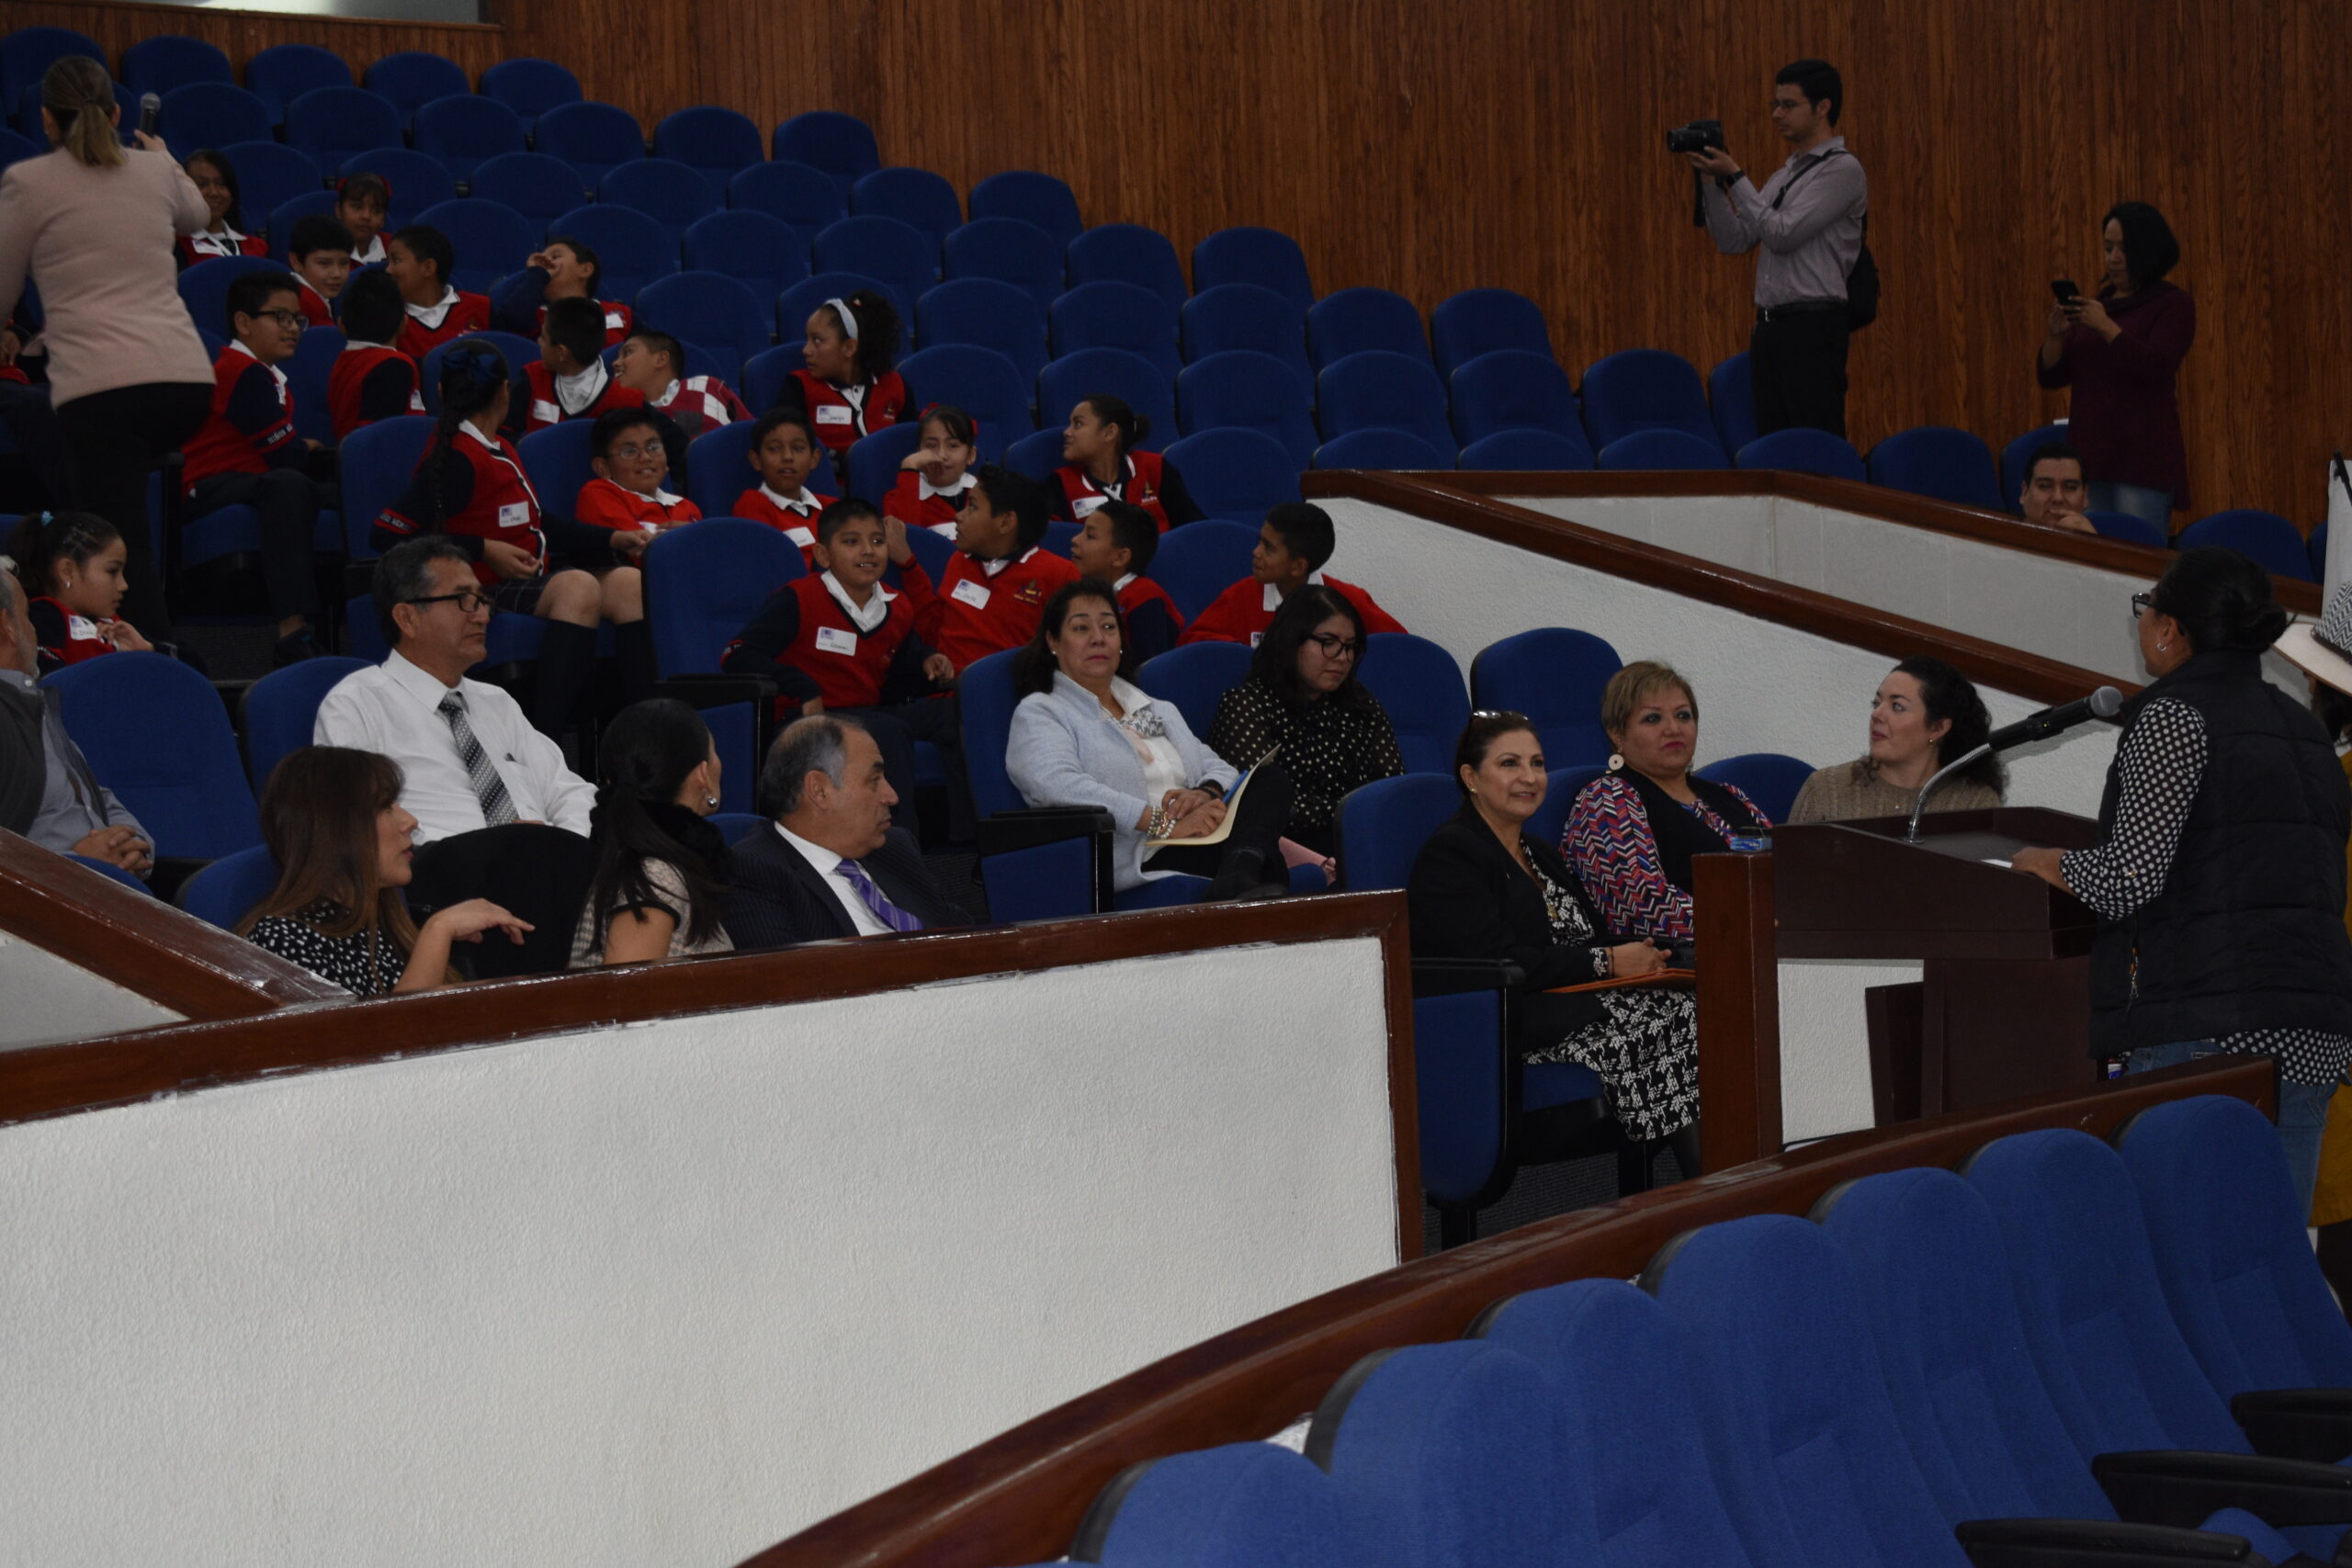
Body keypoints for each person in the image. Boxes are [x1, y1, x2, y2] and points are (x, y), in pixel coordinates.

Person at [2011, 548, 2352, 1210]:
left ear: (2170, 629)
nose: (2142, 623)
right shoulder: (2306, 734)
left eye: (2146, 608)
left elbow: (2128, 877)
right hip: (2313, 1031)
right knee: (2267, 1253)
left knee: (2188, 1252)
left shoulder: (2173, 717)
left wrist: (2047, 863)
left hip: (2208, 1029)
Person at [1408, 711, 1700, 1172]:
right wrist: (1606, 962)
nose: (1529, 777)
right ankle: (1712, 1187)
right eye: (1509, 764)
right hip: (1513, 1022)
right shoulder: (1453, 854)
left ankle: (1723, 1182)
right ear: (1471, 777)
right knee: (1681, 1019)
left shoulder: (1539, 852)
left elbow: (1589, 937)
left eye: (1538, 763)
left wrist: (1650, 954)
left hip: (1579, 1002)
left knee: (1704, 1003)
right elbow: (1498, 963)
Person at [0, 56, 217, 641]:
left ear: (47, 120)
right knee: (94, 508)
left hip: (103, 389)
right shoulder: (153, 169)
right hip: (184, 384)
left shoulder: (30, 182)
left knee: (118, 543)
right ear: (117, 114)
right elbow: (198, 214)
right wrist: (163, 157)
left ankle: (153, 659)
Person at [369, 342, 655, 738]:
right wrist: (483, 548)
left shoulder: (500, 445)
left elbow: (539, 521)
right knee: (578, 588)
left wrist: (613, 537)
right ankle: (545, 741)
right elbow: (387, 534)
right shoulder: (458, 459)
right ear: (505, 391)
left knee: (629, 585)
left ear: (440, 392)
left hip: (525, 579)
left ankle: (645, 735)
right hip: (479, 588)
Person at [1008, 578, 1294, 900]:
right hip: (1139, 852)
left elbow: (1218, 767)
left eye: (1108, 627)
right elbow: (1057, 786)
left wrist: (1204, 793)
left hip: (1200, 835)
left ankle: (1240, 871)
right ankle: (1243, 870)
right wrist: (1161, 823)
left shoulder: (1156, 708)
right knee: (1269, 863)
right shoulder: (1042, 711)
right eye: (1081, 628)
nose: (1098, 638)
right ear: (1053, 641)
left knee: (1270, 780)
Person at [315, 536, 595, 841]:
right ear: (407, 618)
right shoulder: (355, 704)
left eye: (481, 599)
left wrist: (561, 845)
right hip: (438, 865)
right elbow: (359, 823)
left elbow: (571, 792)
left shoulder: (496, 701)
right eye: (464, 600)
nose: (483, 616)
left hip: (543, 858)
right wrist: (484, 852)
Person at [721, 498, 953, 831]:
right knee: (886, 731)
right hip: (809, 720)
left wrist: (928, 660)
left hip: (869, 711)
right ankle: (899, 850)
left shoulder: (897, 605)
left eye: (877, 541)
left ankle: (967, 834)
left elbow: (902, 661)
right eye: (851, 541)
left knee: (961, 710)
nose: (868, 550)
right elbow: (736, 654)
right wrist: (802, 686)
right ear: (823, 555)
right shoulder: (799, 597)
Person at [239, 745, 529, 994]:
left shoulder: (381, 924)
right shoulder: (280, 941)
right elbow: (383, 1036)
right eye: (386, 807)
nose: (410, 821)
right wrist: (438, 932)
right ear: (336, 831)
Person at [1684, 58, 1868, 439]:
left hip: (1813, 326)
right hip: (1771, 328)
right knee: (1775, 441)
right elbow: (1734, 240)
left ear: (1823, 107)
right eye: (1775, 105)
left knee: (1812, 440)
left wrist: (1735, 175)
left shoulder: (1842, 170)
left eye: (1788, 105)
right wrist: (1711, 183)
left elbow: (1783, 234)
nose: (1777, 115)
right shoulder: (1784, 176)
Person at [179, 267, 328, 664]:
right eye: (280, 317)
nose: (293, 328)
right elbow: (286, 456)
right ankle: (292, 631)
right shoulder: (241, 372)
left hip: (248, 482)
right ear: (243, 323)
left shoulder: (264, 374)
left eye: (297, 319)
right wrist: (301, 447)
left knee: (335, 491)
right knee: (290, 484)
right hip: (207, 486)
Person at [1565, 660, 1770, 942]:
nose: (1673, 729)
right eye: (1653, 719)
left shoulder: (1730, 795)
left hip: (1770, 944)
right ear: (1617, 733)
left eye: (1683, 716)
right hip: (1687, 959)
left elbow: (1785, 869)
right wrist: (1752, 928)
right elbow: (1644, 905)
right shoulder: (1606, 799)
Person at [722, 714, 969, 948]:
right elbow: (787, 974)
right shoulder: (752, 871)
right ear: (819, 790)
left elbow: (965, 937)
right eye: (874, 780)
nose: (892, 796)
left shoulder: (895, 847)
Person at [1206, 584, 1403, 857]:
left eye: (1350, 646)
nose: (1343, 657)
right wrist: (1354, 813)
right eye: (1328, 643)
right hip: (1285, 847)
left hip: (1364, 835)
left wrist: (1366, 816)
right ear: (1291, 641)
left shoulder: (1360, 704)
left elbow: (1391, 785)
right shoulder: (1247, 704)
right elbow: (1269, 804)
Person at [2037, 202, 2195, 534]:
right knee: (2090, 550)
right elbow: (2053, 376)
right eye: (2108, 248)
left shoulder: (2173, 305)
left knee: (2137, 551)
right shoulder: (2100, 304)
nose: (2113, 258)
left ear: (2148, 250)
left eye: (2124, 248)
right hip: (2091, 456)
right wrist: (2055, 336)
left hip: (2143, 462)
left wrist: (2106, 326)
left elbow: (2155, 366)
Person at [0, 568, 153, 874]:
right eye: (27, 617)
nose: (35, 631)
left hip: (104, 887)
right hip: (47, 896)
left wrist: (133, 845)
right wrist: (73, 865)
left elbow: (94, 797)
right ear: (8, 627)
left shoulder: (33, 702)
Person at [571, 699, 735, 966]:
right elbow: (628, 990)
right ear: (703, 774)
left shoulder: (648, 863)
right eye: (714, 752)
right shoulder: (655, 876)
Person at [1786, 656, 2005, 823]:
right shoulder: (1826, 789)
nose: (1877, 714)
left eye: (1897, 707)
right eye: (1876, 703)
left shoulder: (1975, 804)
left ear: (1937, 728)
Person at [912, 464, 1080, 682]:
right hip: (947, 690)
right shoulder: (958, 561)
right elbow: (934, 632)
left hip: (1014, 692)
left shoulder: (1059, 573)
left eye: (972, 507)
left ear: (1005, 522)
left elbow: (1069, 652)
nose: (958, 516)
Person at [1180, 502, 1406, 648]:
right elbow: (1193, 642)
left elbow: (1398, 647)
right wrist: (1242, 653)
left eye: (1268, 548)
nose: (1256, 552)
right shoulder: (1241, 596)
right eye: (1259, 541)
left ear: (1298, 567)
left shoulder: (1349, 600)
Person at [7, 510, 152, 671]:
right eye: (112, 571)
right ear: (67, 571)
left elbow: (171, 664)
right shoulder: (42, 618)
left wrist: (148, 650)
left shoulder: (115, 625)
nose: (124, 585)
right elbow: (45, 680)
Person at [775, 289, 907, 465]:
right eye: (807, 339)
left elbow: (910, 442)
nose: (806, 350)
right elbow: (789, 444)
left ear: (849, 347)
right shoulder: (798, 386)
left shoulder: (895, 384)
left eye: (817, 340)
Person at [1049, 394, 1202, 530]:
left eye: (1078, 424)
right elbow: (1056, 538)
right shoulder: (1060, 482)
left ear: (1110, 432)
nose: (1066, 432)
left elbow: (1193, 529)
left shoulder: (1155, 467)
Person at [508, 295, 644, 438]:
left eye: (543, 337)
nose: (539, 341)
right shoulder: (531, 378)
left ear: (561, 352)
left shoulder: (628, 402)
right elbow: (504, 430)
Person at [1069, 499, 1184, 662]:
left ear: (1120, 557)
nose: (1075, 539)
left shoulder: (1145, 598)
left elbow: (1147, 667)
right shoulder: (1083, 593)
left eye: (1090, 536)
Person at [573, 406, 700, 532]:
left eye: (653, 448)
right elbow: (637, 542)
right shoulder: (599, 495)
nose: (645, 457)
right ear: (603, 468)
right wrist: (688, 536)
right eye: (630, 451)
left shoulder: (687, 507)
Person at [328, 269, 422, 439]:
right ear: (404, 323)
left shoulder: (343, 361)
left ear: (341, 325)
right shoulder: (395, 367)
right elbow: (378, 438)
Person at [612, 327, 750, 441]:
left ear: (661, 359)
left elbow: (751, 432)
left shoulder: (706, 386)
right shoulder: (621, 415)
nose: (615, 363)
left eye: (627, 352)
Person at [489, 236, 633, 344]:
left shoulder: (618, 312)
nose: (546, 262)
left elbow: (645, 347)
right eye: (542, 260)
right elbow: (513, 318)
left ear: (585, 269)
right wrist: (537, 274)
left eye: (555, 256)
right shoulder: (538, 315)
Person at [731, 407, 827, 559]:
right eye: (774, 449)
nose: (787, 457)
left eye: (798, 448)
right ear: (756, 460)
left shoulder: (831, 507)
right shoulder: (752, 506)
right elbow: (769, 563)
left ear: (814, 459)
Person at [386, 224, 492, 359]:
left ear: (428, 267)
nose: (388, 270)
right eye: (388, 262)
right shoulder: (388, 316)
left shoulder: (482, 307)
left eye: (396, 260)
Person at [884, 403, 978, 535]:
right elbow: (905, 539)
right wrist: (909, 467)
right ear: (918, 453)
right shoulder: (897, 498)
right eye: (931, 445)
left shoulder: (986, 493)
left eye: (953, 446)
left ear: (971, 455)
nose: (941, 455)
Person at [174, 148, 268, 267]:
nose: (214, 192)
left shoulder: (258, 246)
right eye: (202, 184)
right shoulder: (176, 244)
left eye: (221, 184)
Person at [286, 214, 354, 328]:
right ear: (296, 262)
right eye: (324, 263)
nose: (337, 274)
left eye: (344, 263)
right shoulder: (299, 306)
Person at [2018, 441, 2095, 535]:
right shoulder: (2002, 539)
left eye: (2070, 487)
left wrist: (2090, 541)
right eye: (2045, 486)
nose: (2058, 498)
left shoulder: (2096, 540)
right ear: (2025, 492)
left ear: (2085, 495)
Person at [334, 173, 390, 267]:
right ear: (339, 210)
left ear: (383, 219)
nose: (366, 216)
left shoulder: (395, 248)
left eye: (377, 211)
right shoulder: (324, 250)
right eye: (357, 207)